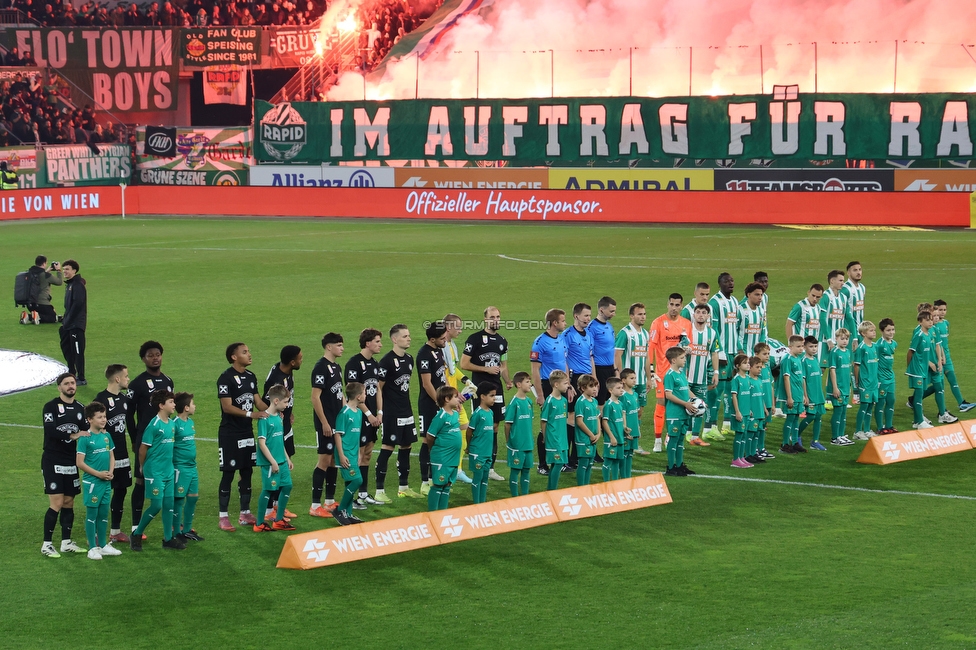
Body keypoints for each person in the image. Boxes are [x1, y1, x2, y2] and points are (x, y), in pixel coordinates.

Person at [216, 343, 268, 532]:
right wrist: (250, 415)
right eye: (245, 352)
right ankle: (223, 516)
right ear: (234, 357)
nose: (249, 354)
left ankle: (245, 513)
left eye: (248, 351)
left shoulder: (251, 377)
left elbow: (258, 401)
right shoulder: (225, 378)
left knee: (247, 471)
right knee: (229, 473)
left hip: (247, 433)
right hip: (230, 434)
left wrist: (273, 409)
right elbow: (227, 407)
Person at [461, 306, 512, 482]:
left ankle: (489, 468)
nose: (495, 320)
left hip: (496, 390)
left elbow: (503, 365)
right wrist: (485, 368)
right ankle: (476, 462)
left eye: (498, 317)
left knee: (495, 426)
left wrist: (507, 380)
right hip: (479, 391)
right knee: (480, 425)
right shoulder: (474, 339)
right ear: (485, 319)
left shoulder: (502, 341)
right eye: (492, 317)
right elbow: (464, 364)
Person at [41, 373, 89, 557]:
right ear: (59, 387)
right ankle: (46, 544)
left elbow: (87, 429)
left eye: (73, 383)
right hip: (53, 460)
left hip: (70, 461)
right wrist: (73, 435)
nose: (71, 386)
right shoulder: (50, 407)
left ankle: (66, 542)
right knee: (57, 502)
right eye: (66, 383)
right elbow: (50, 430)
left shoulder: (80, 408)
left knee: (69, 502)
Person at [128, 341, 174, 534]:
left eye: (158, 354)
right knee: (140, 480)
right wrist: (133, 439)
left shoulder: (168, 380)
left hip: (164, 440)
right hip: (145, 439)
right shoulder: (137, 384)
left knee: (167, 478)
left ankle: (170, 525)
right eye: (150, 355)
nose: (155, 358)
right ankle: (135, 524)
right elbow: (128, 415)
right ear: (143, 359)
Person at [130, 390, 184, 551]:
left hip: (168, 470)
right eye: (171, 402)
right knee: (156, 505)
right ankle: (137, 533)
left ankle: (168, 539)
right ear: (161, 405)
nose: (174, 404)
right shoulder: (154, 426)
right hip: (154, 471)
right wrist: (142, 467)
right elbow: (142, 449)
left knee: (169, 504)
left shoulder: (172, 424)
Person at [375, 324, 421, 502]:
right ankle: (379, 491)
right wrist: (381, 411)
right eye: (404, 336)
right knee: (388, 447)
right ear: (394, 339)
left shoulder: (409, 359)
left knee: (407, 446)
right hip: (391, 413)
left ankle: (404, 487)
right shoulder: (386, 362)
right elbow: (379, 388)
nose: (409, 338)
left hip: (406, 410)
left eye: (409, 335)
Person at [76, 401, 121, 560]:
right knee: (92, 514)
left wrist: (110, 472)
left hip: (105, 482)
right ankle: (92, 548)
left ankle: (103, 545)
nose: (103, 420)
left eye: (105, 416)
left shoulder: (107, 436)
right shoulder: (85, 438)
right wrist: (98, 474)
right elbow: (80, 463)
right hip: (92, 483)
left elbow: (111, 456)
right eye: (100, 417)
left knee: (103, 514)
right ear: (89, 419)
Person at [94, 365, 134, 544]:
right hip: (104, 455)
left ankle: (115, 531)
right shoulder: (101, 400)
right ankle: (95, 532)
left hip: (122, 453)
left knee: (121, 489)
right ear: (117, 379)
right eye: (126, 376)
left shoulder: (125, 400)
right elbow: (94, 428)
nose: (128, 379)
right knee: (102, 492)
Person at [344, 330, 383, 507]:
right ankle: (349, 498)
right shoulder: (354, 364)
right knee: (356, 457)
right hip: (359, 417)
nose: (380, 344)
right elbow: (352, 394)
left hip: (373, 417)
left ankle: (363, 494)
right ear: (367, 343)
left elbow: (378, 390)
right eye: (377, 341)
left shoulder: (375, 364)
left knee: (367, 454)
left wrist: (380, 413)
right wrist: (369, 414)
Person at [649, 294, 692, 451]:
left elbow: (690, 345)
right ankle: (657, 440)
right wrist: (652, 371)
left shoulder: (686, 324)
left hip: (680, 373)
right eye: (671, 304)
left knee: (678, 405)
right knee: (661, 403)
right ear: (667, 304)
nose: (674, 308)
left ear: (682, 306)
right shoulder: (658, 322)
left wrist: (688, 349)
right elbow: (651, 347)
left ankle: (671, 437)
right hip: (662, 371)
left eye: (677, 305)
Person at [263, 345, 302, 520]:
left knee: (286, 463)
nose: (302, 360)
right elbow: (267, 404)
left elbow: (286, 397)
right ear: (292, 362)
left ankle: (279, 505)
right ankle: (270, 508)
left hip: (285, 423)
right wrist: (275, 421)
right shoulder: (276, 379)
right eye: (300, 358)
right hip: (277, 427)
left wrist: (289, 410)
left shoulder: (286, 371)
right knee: (277, 466)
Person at [530, 309, 571, 470]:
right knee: (547, 424)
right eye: (563, 320)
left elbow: (564, 362)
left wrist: (569, 385)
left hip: (561, 385)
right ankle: (542, 464)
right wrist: (540, 395)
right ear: (555, 323)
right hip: (547, 385)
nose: (565, 323)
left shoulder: (561, 339)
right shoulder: (540, 342)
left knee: (561, 423)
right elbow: (535, 371)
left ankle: (558, 462)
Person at [556, 302, 594, 473]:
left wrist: (594, 380)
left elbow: (590, 357)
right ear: (576, 316)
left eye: (589, 315)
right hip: (573, 379)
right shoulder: (567, 335)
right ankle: (567, 459)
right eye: (585, 315)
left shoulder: (589, 334)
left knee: (583, 416)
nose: (588, 319)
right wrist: (568, 383)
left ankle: (576, 456)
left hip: (587, 379)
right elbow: (562, 359)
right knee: (571, 417)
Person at [253, 385, 296, 532]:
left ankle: (278, 520)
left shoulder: (278, 417)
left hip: (281, 461)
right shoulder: (264, 419)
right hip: (270, 463)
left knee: (287, 486)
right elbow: (262, 443)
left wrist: (287, 458)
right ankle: (259, 523)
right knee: (268, 490)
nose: (287, 404)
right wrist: (272, 462)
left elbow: (280, 441)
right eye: (285, 402)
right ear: (276, 401)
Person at [310, 333, 343, 516]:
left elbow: (340, 394)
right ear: (328, 347)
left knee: (332, 461)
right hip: (326, 423)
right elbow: (315, 397)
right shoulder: (321, 367)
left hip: (337, 421)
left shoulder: (336, 367)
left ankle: (329, 501)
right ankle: (315, 506)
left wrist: (346, 415)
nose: (342, 348)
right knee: (323, 461)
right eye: (339, 345)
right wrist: (324, 423)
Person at [614, 302, 651, 456]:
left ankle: (634, 442)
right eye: (639, 314)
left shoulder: (645, 334)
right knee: (625, 412)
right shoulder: (625, 333)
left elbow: (647, 357)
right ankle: (623, 440)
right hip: (627, 381)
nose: (643, 317)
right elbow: (617, 355)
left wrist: (649, 377)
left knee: (639, 411)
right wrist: (620, 378)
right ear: (631, 316)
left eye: (644, 314)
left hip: (641, 380)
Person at [442, 314, 474, 486]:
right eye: (458, 327)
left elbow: (453, 370)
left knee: (463, 428)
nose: (461, 330)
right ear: (448, 328)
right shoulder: (441, 347)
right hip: (447, 399)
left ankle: (458, 470)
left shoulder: (452, 345)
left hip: (454, 397)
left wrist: (466, 381)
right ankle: (444, 473)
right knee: (449, 436)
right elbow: (442, 374)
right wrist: (453, 393)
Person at [417, 322, 448, 496]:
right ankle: (424, 482)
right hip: (429, 405)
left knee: (439, 441)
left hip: (441, 402)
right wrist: (439, 400)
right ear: (432, 339)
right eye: (442, 338)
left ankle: (436, 477)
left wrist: (450, 395)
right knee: (427, 441)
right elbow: (426, 383)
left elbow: (441, 377)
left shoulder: (438, 350)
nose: (445, 340)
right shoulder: (424, 354)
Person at [706, 273, 739, 436]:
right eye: (726, 281)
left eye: (731, 281)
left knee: (731, 389)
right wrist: (720, 353)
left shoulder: (734, 301)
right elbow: (714, 331)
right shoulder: (715, 303)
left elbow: (735, 329)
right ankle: (710, 427)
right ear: (720, 284)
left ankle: (726, 424)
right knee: (716, 391)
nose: (730, 283)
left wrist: (739, 348)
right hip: (722, 353)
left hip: (733, 353)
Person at [683, 303, 720, 445]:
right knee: (685, 406)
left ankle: (694, 437)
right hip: (686, 377)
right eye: (698, 312)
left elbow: (714, 353)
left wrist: (716, 372)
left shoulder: (712, 333)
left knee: (701, 406)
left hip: (701, 377)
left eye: (704, 312)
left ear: (708, 316)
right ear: (693, 314)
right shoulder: (687, 332)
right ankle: (684, 433)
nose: (700, 315)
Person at [931, 301, 976, 412]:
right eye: (939, 310)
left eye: (944, 310)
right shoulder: (932, 327)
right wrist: (940, 357)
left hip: (946, 355)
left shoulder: (946, 323)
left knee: (952, 379)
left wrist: (945, 355)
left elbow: (944, 343)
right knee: (939, 386)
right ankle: (915, 400)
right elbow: (936, 344)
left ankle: (961, 403)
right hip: (938, 357)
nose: (942, 312)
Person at [425, 385, 463, 511]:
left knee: (447, 485)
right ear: (447, 399)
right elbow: (430, 436)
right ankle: (433, 514)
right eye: (456, 397)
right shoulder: (440, 416)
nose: (458, 399)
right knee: (438, 485)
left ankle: (442, 513)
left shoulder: (455, 414)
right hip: (442, 457)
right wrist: (433, 450)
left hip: (453, 458)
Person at [333, 383, 366, 526]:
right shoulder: (344, 413)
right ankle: (339, 510)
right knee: (357, 481)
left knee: (350, 482)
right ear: (358, 396)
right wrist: (340, 455)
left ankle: (349, 514)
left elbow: (356, 436)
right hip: (345, 454)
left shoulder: (358, 412)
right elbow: (338, 435)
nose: (366, 395)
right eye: (364, 393)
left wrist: (359, 453)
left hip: (353, 453)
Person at [663, 347, 697, 477]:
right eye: (682, 358)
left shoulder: (681, 373)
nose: (685, 360)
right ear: (673, 360)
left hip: (684, 413)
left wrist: (697, 400)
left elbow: (686, 390)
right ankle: (671, 467)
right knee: (674, 439)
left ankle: (680, 465)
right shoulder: (669, 375)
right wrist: (686, 404)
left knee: (681, 440)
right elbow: (668, 395)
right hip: (675, 414)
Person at [505, 372, 535, 497]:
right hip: (517, 443)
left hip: (528, 442)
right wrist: (509, 440)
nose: (530, 384)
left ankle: (525, 495)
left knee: (527, 469)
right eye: (527, 382)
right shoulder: (514, 403)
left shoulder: (529, 401)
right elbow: (507, 424)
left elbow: (530, 422)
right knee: (516, 470)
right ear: (518, 384)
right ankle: (515, 497)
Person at [466, 382, 496, 504]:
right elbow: (469, 432)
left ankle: (482, 502)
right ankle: (476, 503)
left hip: (487, 452)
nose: (494, 398)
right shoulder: (477, 414)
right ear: (483, 397)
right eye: (492, 396)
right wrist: (469, 447)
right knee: (477, 478)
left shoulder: (491, 412)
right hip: (477, 452)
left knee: (485, 479)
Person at [540, 370, 570, 489]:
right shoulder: (550, 401)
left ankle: (551, 490)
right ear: (556, 384)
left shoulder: (563, 401)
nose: (567, 386)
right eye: (565, 383)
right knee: (557, 464)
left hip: (562, 438)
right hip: (553, 438)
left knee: (558, 464)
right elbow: (543, 421)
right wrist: (544, 436)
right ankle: (552, 491)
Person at [60, 259, 87, 384]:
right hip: (68, 324)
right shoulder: (70, 284)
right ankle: (71, 372)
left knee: (77, 351)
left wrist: (69, 319)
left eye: (67, 269)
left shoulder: (77, 285)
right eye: (63, 269)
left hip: (76, 325)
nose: (64, 271)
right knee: (66, 348)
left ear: (74, 271)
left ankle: (81, 378)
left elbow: (78, 304)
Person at [779, 335, 807, 454]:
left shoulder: (799, 358)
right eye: (798, 346)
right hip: (791, 395)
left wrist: (804, 395)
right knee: (790, 419)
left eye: (802, 346)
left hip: (799, 394)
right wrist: (789, 397)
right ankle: (785, 444)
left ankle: (795, 442)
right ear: (790, 346)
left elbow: (801, 378)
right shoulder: (787, 359)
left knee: (796, 418)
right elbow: (786, 378)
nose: (801, 349)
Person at [852, 321, 880, 440]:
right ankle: (858, 431)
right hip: (865, 382)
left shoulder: (875, 347)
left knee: (870, 406)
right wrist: (857, 382)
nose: (874, 332)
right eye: (871, 330)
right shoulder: (861, 348)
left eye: (874, 330)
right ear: (863, 333)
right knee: (864, 406)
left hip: (874, 382)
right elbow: (856, 366)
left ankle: (867, 430)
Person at [795, 336, 823, 452]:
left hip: (819, 394)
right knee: (811, 415)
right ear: (805, 347)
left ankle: (815, 441)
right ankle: (797, 435)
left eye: (815, 346)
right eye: (811, 346)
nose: (814, 349)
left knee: (818, 416)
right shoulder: (804, 361)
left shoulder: (815, 359)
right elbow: (803, 379)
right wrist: (805, 395)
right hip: (810, 394)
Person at [827, 329, 855, 446]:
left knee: (843, 411)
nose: (844, 341)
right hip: (837, 388)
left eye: (846, 339)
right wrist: (835, 387)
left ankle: (841, 435)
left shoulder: (848, 352)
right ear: (836, 339)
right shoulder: (834, 352)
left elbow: (848, 371)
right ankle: (835, 437)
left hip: (845, 387)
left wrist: (849, 386)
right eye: (842, 339)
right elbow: (832, 370)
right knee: (838, 412)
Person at [588, 296, 617, 405]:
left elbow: (611, 349)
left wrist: (616, 370)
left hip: (610, 369)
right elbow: (589, 352)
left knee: (610, 402)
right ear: (601, 310)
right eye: (611, 311)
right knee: (600, 403)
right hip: (599, 369)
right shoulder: (592, 327)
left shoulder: (609, 326)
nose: (614, 314)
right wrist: (594, 375)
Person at [787, 284, 824, 367]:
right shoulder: (800, 306)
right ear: (808, 292)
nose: (815, 299)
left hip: (813, 348)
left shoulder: (818, 308)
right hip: (801, 348)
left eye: (818, 297)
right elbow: (789, 324)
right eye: (813, 295)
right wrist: (790, 344)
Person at [573, 375, 601, 486]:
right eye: (591, 386)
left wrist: (598, 433)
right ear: (583, 388)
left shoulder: (594, 401)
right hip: (584, 439)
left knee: (590, 463)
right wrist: (590, 434)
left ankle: (586, 486)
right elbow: (580, 422)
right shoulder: (581, 402)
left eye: (595, 386)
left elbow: (597, 417)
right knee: (583, 463)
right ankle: (581, 487)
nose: (595, 388)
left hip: (593, 438)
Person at [729, 354, 754, 468]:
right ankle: (735, 459)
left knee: (744, 435)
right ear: (738, 366)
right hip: (739, 412)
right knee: (739, 435)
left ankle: (741, 457)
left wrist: (749, 409)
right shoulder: (736, 380)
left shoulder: (748, 379)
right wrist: (737, 411)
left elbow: (748, 396)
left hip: (746, 412)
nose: (748, 364)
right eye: (745, 363)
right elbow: (734, 396)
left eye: (748, 362)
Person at [875, 319, 898, 434]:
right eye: (888, 330)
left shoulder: (894, 343)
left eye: (893, 330)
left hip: (890, 377)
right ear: (882, 331)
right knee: (881, 402)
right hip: (881, 378)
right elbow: (875, 362)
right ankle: (880, 427)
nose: (891, 332)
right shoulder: (879, 345)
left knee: (891, 400)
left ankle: (889, 425)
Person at [753, 343, 776, 459]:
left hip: (767, 402)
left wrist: (772, 404)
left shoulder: (766, 367)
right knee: (757, 426)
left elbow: (771, 386)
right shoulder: (757, 369)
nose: (767, 356)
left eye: (768, 354)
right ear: (756, 354)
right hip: (759, 403)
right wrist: (762, 405)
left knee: (763, 426)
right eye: (764, 354)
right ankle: (755, 449)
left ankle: (761, 448)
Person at [601, 377, 626, 481]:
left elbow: (619, 421)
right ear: (610, 390)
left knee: (617, 461)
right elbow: (604, 422)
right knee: (608, 461)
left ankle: (614, 482)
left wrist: (625, 429)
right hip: (611, 440)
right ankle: (606, 483)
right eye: (618, 388)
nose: (621, 390)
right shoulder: (609, 405)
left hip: (620, 438)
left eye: (622, 387)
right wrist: (611, 437)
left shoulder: (620, 404)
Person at [821, 270, 847, 365]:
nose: (843, 283)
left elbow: (847, 318)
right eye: (840, 280)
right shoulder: (825, 296)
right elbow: (822, 319)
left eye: (843, 281)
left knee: (836, 367)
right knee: (822, 367)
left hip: (838, 339)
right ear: (832, 281)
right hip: (825, 339)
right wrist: (828, 339)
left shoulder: (843, 297)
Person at [26, 255, 62, 323]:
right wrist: (58, 270)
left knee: (48, 312)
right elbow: (59, 282)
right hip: (42, 304)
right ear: (44, 263)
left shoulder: (30, 273)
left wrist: (47, 271)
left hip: (30, 304)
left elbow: (40, 279)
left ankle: (27, 316)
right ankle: (32, 316)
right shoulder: (46, 275)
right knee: (53, 318)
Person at [619, 368, 641, 478]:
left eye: (635, 378)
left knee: (630, 454)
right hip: (626, 430)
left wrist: (638, 429)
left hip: (634, 430)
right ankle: (624, 478)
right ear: (623, 380)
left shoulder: (635, 395)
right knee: (624, 454)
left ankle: (628, 477)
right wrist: (624, 428)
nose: (634, 380)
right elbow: (622, 414)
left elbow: (636, 415)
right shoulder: (622, 396)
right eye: (631, 378)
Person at [746, 356, 767, 464]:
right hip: (752, 413)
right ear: (750, 367)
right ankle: (748, 454)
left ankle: (754, 453)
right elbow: (746, 398)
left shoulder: (759, 380)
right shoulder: (748, 381)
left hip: (759, 412)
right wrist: (748, 409)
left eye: (760, 367)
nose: (759, 369)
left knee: (757, 434)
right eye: (757, 367)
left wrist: (764, 409)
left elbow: (761, 397)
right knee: (750, 434)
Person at [840, 261, 866, 348]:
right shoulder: (845, 289)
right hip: (848, 332)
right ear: (848, 273)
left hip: (861, 330)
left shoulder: (862, 287)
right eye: (855, 270)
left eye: (860, 270)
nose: (858, 272)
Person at [738, 283, 766, 359]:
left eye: (761, 295)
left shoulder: (762, 312)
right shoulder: (739, 310)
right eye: (757, 295)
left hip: (756, 355)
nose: (760, 298)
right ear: (749, 295)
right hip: (743, 354)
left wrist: (762, 349)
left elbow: (763, 332)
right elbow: (734, 332)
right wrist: (740, 350)